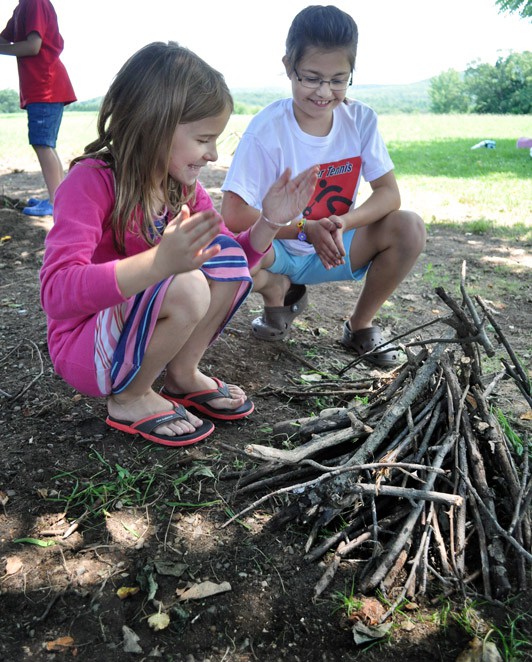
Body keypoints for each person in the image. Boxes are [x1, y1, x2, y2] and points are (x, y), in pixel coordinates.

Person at [39, 41, 318, 447]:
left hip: (127, 338)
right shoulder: (91, 182)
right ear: (155, 126)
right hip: (85, 346)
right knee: (185, 283)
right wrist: (158, 264)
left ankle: (183, 375)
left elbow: (231, 262)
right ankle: (130, 397)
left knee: (224, 259)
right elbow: (57, 294)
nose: (213, 154)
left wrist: (271, 220)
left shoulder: (182, 190)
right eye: (205, 139)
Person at [221, 5, 426, 367]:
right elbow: (235, 215)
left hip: (335, 245)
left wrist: (344, 223)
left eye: (338, 79)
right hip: (278, 248)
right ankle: (277, 292)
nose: (325, 92)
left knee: (409, 226)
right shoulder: (267, 130)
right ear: (288, 66)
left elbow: (388, 193)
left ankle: (359, 326)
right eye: (311, 78)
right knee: (226, 254)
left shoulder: (360, 119)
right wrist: (303, 229)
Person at [0, 0, 76, 217]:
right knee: (44, 144)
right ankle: (58, 197)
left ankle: (55, 202)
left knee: (42, 143)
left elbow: (33, 46)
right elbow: (4, 38)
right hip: (41, 86)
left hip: (46, 85)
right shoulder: (22, 6)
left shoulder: (34, 2)